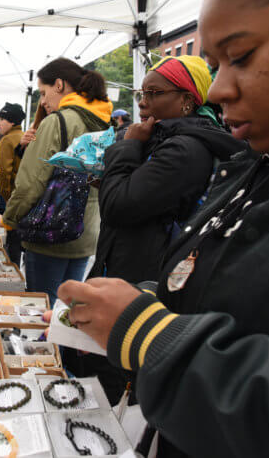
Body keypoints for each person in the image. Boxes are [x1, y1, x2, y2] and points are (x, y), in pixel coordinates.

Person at [46, 0, 269, 456]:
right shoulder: (260, 166)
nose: (220, 89)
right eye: (216, 64)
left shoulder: (186, 149)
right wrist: (157, 299)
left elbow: (122, 203)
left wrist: (148, 331)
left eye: (240, 57)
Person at [71, 55, 245, 404]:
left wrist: (127, 147)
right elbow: (135, 196)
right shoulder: (166, 138)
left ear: (186, 99)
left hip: (145, 274)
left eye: (154, 93)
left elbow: (120, 207)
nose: (143, 102)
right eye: (140, 93)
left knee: (118, 384)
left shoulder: (186, 148)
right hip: (131, 261)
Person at [0, 58, 113, 300]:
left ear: (60, 85)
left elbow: (31, 182)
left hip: (49, 232)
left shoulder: (58, 122)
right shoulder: (104, 121)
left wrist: (9, 220)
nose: (42, 101)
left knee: (42, 309)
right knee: (67, 308)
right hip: (84, 232)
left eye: (44, 93)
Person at [0, 102, 26, 266]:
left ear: (12, 121)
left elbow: (5, 172)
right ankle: (17, 269)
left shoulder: (7, 140)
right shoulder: (25, 135)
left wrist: (7, 197)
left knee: (11, 241)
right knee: (19, 241)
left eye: (2, 119)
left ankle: (12, 272)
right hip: (25, 197)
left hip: (13, 196)